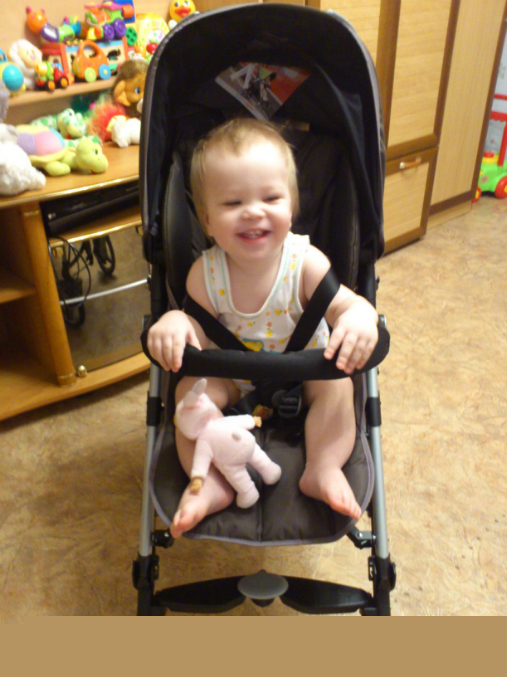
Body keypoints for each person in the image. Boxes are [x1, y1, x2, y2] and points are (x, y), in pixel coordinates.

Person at [147, 117, 379, 538]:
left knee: (338, 386)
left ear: (291, 206)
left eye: (270, 197)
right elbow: (197, 332)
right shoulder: (205, 274)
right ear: (206, 220)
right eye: (233, 203)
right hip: (235, 384)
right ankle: (210, 482)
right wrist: (175, 322)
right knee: (189, 395)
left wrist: (359, 315)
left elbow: (346, 304)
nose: (253, 211)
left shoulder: (306, 264)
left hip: (306, 378)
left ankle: (323, 467)